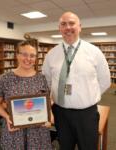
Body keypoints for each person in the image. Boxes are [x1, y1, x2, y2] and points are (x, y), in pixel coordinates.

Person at [42, 11, 111, 150]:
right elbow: (47, 81)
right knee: (65, 146)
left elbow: (105, 81)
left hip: (86, 114)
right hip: (60, 113)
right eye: (63, 24)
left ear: (80, 27)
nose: (68, 27)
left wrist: (88, 95)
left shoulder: (94, 51)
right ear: (59, 28)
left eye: (72, 23)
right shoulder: (51, 54)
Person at [0, 41, 52, 150]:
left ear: (36, 58)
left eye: (32, 56)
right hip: (14, 131)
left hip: (38, 132)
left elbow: (46, 102)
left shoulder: (42, 79)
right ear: (17, 55)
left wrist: (50, 118)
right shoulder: (5, 79)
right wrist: (7, 117)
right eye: (24, 54)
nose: (28, 59)